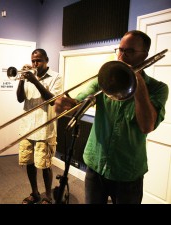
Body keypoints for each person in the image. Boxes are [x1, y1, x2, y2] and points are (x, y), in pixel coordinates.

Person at [54, 30, 169, 204]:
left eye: (129, 51)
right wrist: (68, 105)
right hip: (96, 164)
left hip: (128, 173)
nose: (121, 56)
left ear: (144, 55)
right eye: (120, 50)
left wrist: (138, 84)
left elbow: (147, 126)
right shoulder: (105, 79)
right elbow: (79, 101)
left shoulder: (158, 88)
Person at [17, 48, 63, 204]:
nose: (35, 64)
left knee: (44, 165)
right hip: (27, 127)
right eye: (33, 61)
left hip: (44, 128)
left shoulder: (56, 77)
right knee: (29, 163)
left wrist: (34, 81)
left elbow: (52, 100)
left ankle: (48, 196)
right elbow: (19, 98)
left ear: (46, 60)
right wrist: (22, 79)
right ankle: (35, 193)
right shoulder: (29, 76)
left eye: (38, 60)